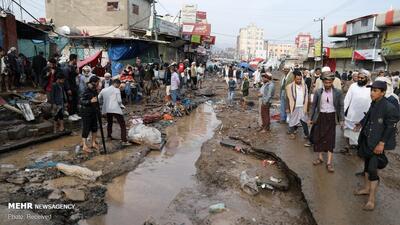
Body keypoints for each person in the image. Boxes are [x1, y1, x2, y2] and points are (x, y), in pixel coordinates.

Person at [354, 80, 400, 211]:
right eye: (371, 90)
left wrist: (382, 143)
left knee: (373, 170)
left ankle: (371, 200)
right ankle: (367, 189)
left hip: (377, 144)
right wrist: (361, 123)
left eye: (375, 91)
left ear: (383, 92)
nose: (371, 93)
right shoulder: (374, 103)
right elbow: (369, 116)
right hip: (367, 140)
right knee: (367, 166)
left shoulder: (389, 107)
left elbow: (390, 127)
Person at [310, 72, 344, 172]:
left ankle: (329, 163)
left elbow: (341, 106)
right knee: (319, 137)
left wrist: (341, 119)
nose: (328, 84)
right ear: (323, 82)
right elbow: (314, 106)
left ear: (332, 81)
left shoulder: (338, 92)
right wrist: (311, 118)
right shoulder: (318, 92)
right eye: (326, 82)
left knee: (330, 139)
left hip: (331, 117)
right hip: (320, 117)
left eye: (330, 82)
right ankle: (320, 157)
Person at [342, 69, 371, 152]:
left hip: (364, 115)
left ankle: (359, 148)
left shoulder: (371, 87)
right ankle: (347, 146)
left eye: (362, 78)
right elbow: (347, 99)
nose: (360, 79)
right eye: (359, 77)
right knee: (347, 130)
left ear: (367, 79)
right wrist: (342, 112)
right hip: (351, 114)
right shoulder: (353, 86)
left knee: (361, 133)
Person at [98, 79, 130, 146]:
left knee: (109, 122)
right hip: (115, 109)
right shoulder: (116, 90)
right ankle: (124, 140)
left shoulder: (104, 90)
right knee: (122, 124)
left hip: (107, 109)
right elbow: (119, 101)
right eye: (119, 85)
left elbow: (98, 97)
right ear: (116, 84)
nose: (119, 87)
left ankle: (109, 136)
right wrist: (121, 105)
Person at [286, 70, 309, 140]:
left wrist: (307, 107)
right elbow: (287, 98)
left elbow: (307, 97)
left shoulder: (304, 86)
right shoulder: (289, 86)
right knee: (292, 120)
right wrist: (287, 108)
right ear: (294, 79)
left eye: (300, 79)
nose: (299, 80)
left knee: (304, 120)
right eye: (297, 79)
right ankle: (292, 133)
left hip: (302, 106)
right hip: (294, 106)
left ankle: (307, 134)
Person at [80, 76, 100, 153]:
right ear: (93, 82)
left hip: (94, 110)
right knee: (86, 128)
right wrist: (89, 101)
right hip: (86, 112)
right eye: (97, 82)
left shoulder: (94, 89)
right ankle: (84, 146)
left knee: (94, 127)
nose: (98, 84)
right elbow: (81, 101)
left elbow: (96, 100)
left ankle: (93, 143)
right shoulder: (85, 89)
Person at [63, 54, 80, 121]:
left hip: (74, 87)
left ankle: (74, 113)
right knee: (70, 101)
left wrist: (77, 72)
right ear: (74, 59)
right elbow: (66, 79)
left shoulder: (73, 67)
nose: (77, 60)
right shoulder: (66, 68)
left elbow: (74, 75)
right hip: (70, 87)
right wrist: (68, 89)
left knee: (75, 100)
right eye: (77, 59)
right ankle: (70, 115)